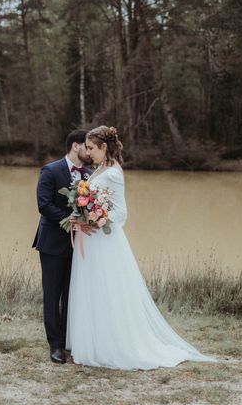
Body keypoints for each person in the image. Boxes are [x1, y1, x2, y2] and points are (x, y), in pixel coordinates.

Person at [66, 125, 218, 370]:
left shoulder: (113, 173)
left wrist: (94, 218)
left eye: (92, 148)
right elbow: (92, 200)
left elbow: (121, 213)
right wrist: (82, 216)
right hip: (91, 241)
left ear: (105, 147)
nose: (88, 152)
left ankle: (111, 345)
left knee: (107, 291)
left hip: (105, 242)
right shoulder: (100, 169)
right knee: (92, 289)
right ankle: (92, 342)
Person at [32, 130, 95, 364]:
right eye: (86, 147)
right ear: (75, 146)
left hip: (80, 245)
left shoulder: (89, 174)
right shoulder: (50, 170)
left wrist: (89, 219)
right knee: (52, 294)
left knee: (72, 293)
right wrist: (72, 221)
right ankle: (55, 345)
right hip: (52, 242)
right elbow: (44, 205)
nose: (89, 151)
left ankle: (69, 340)